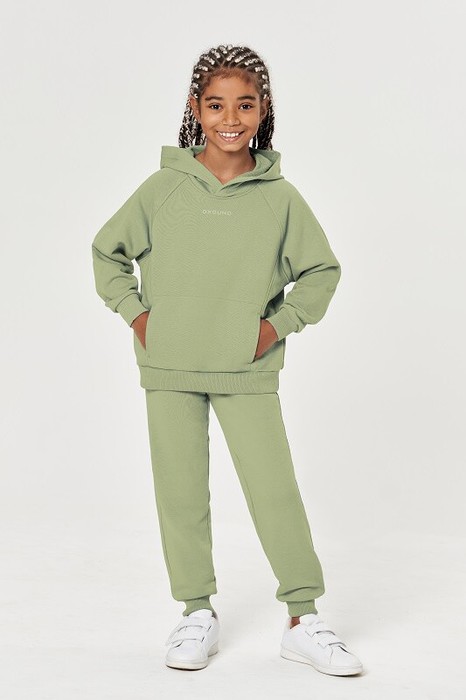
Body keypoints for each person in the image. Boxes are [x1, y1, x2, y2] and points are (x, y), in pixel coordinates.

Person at [91, 43, 364, 675]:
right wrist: (138, 316)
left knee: (274, 491)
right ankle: (196, 612)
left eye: (245, 104)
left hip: (247, 367)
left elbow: (321, 270)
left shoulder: (280, 198)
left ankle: (303, 618)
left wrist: (274, 328)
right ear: (196, 109)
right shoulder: (162, 189)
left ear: (264, 110)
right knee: (181, 493)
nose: (230, 119)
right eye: (216, 105)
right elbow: (107, 252)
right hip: (169, 366)